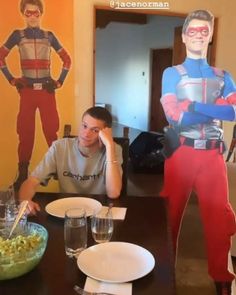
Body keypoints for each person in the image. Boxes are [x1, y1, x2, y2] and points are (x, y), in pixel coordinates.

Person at [160, 10, 236, 295]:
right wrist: (211, 110)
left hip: (212, 156)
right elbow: (174, 116)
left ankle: (222, 280)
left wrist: (193, 106)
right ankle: (163, 276)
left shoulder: (223, 75)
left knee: (218, 219)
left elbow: (234, 111)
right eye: (193, 30)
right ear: (183, 35)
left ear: (211, 35)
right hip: (181, 154)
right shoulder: (172, 74)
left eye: (204, 31)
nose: (198, 35)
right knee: (169, 218)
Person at [0, 0, 71, 190]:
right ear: (23, 14)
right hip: (27, 92)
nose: (32, 16)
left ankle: (56, 167)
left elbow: (67, 60)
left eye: (36, 13)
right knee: (25, 131)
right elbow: (0, 56)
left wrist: (59, 81)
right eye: (28, 13)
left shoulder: (49, 36)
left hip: (46, 90)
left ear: (41, 14)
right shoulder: (18, 35)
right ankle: (23, 172)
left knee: (51, 129)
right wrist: (11, 79)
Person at [18, 106, 123, 214]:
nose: (86, 134)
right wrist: (24, 201)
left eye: (95, 130)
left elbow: (113, 193)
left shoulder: (114, 150)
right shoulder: (59, 147)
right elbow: (31, 181)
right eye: (84, 126)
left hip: (98, 213)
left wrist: (109, 146)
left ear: (105, 133)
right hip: (66, 211)